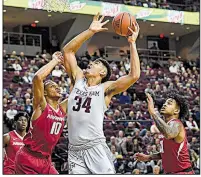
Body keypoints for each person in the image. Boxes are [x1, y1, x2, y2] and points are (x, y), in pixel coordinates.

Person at [63, 13, 140, 174]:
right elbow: (68, 51)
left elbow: (134, 76)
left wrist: (132, 43)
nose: (91, 63)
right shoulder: (77, 79)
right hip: (74, 150)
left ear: (103, 72)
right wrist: (90, 31)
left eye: (96, 63)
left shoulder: (105, 89)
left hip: (95, 147)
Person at [14, 52, 68, 174]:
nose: (58, 88)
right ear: (44, 92)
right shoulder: (41, 106)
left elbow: (78, 90)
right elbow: (38, 78)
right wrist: (55, 60)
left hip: (46, 159)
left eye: (58, 86)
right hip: (28, 158)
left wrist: (69, 68)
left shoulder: (62, 108)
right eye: (52, 86)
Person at [135, 90, 194, 174]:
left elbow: (169, 133)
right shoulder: (167, 126)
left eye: (169, 103)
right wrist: (148, 157)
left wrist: (153, 112)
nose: (165, 104)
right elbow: (165, 153)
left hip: (182, 173)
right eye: (164, 103)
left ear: (176, 111)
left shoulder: (177, 124)